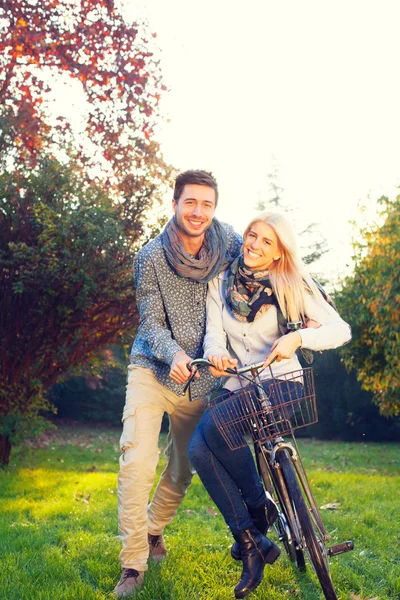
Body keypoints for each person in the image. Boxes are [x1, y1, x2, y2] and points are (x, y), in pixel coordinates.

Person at [188, 211, 351, 599]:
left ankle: (260, 511)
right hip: (238, 380)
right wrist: (215, 355)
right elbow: (213, 335)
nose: (254, 245)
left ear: (279, 253)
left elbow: (340, 330)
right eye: (252, 236)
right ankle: (252, 542)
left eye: (266, 242)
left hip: (281, 382)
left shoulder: (291, 283)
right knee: (197, 448)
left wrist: (298, 341)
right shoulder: (220, 282)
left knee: (213, 430)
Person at [114, 170, 242, 597]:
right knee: (137, 461)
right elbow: (150, 322)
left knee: (182, 469)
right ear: (175, 204)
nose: (198, 212)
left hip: (203, 381)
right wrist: (174, 355)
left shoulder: (230, 245)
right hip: (153, 370)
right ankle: (132, 565)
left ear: (214, 208)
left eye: (207, 204)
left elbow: (271, 266)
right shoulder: (150, 256)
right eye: (190, 203)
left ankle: (152, 530)